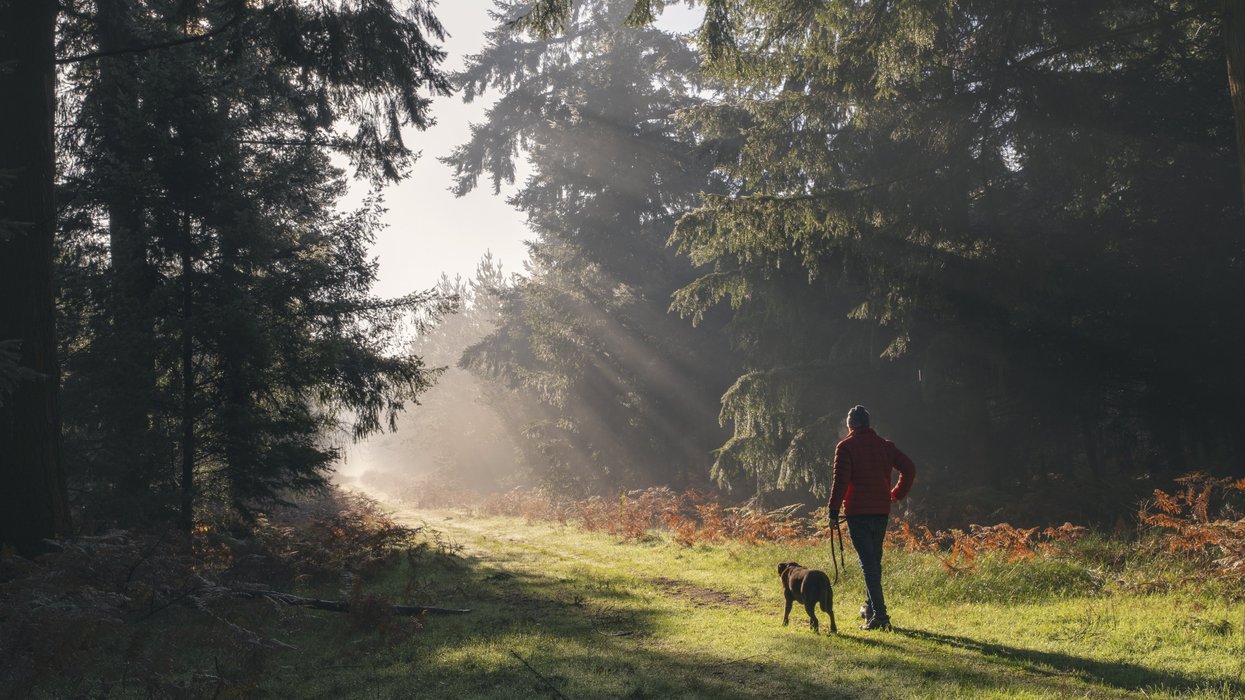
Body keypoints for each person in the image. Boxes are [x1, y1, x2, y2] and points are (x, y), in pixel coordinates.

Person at [828, 405, 915, 630]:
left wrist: (833, 511)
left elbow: (841, 482)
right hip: (880, 511)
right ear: (867, 424)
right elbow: (909, 469)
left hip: (858, 513)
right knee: (873, 561)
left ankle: (881, 617)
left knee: (868, 563)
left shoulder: (846, 447)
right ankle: (869, 607)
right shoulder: (885, 446)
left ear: (850, 425)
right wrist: (896, 495)